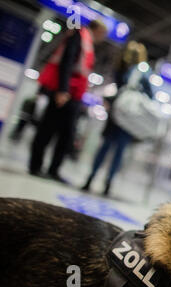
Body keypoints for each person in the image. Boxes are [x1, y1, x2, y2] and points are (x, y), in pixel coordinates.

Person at [29, 20, 107, 183]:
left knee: (66, 135)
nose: (103, 37)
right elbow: (67, 62)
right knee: (47, 130)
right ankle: (35, 166)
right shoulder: (78, 36)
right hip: (65, 93)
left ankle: (53, 169)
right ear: (97, 29)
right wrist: (62, 90)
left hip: (75, 94)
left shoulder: (87, 41)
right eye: (102, 33)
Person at [81, 41, 153, 196]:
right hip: (129, 119)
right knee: (118, 153)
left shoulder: (120, 68)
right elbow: (150, 96)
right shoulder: (143, 73)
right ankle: (108, 184)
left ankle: (90, 179)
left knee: (104, 148)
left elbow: (117, 90)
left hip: (115, 115)